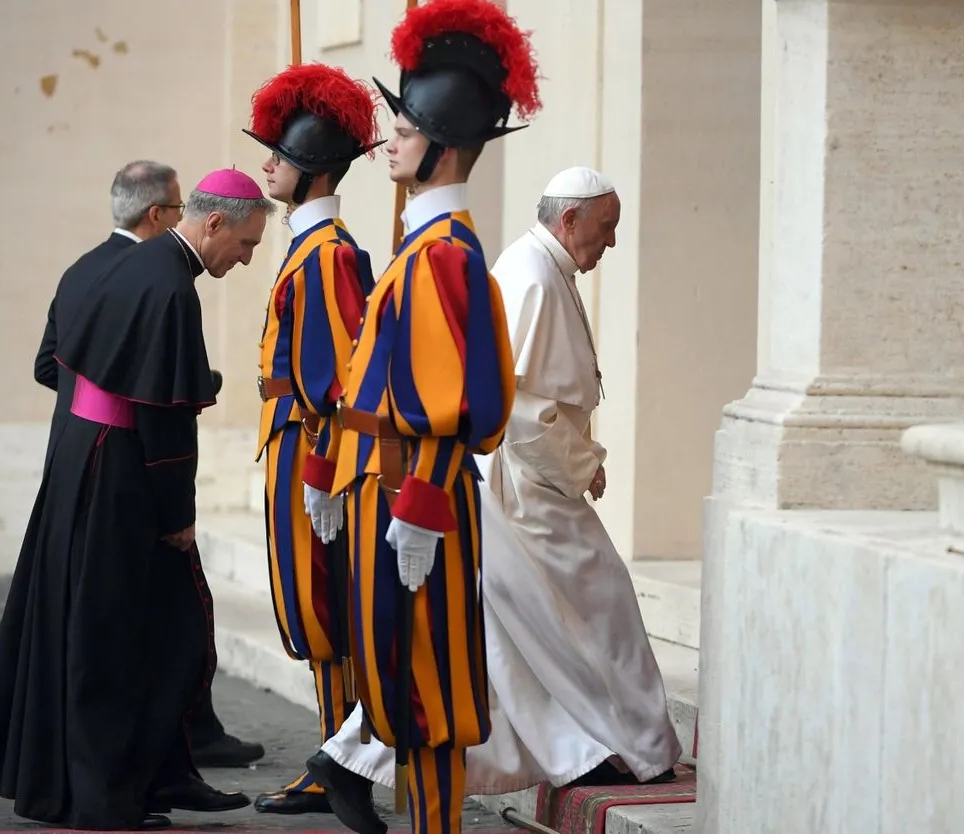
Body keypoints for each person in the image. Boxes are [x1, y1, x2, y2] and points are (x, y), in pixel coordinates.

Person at [309, 169, 681, 833]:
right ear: (570, 221)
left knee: (502, 649)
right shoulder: (532, 273)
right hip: (522, 489)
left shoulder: (539, 264)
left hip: (523, 482)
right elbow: (525, 412)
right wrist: (583, 465)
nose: (613, 243)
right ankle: (607, 748)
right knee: (587, 611)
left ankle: (584, 751)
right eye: (606, 228)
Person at [0, 161, 264, 772]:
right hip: (121, 465)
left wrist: (106, 404)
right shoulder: (165, 279)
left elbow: (51, 365)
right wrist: (149, 417)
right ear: (187, 217)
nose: (245, 259)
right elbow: (161, 410)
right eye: (245, 244)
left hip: (79, 452)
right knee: (105, 619)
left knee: (68, 605)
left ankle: (173, 756)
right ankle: (126, 767)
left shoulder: (94, 267)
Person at [298, 2, 540, 832]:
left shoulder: (439, 255)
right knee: (400, 685)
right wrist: (332, 472)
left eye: (405, 127)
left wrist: (423, 512)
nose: (391, 140)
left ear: (442, 145)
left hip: (412, 501)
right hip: (386, 492)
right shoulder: (422, 248)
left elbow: (449, 408)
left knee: (429, 697)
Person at [240, 63, 386, 818]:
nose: (267, 163)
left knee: (321, 609)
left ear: (313, 169)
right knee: (311, 610)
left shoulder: (326, 253)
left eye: (279, 153)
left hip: (309, 448)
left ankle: (339, 762)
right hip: (292, 442)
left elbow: (334, 383)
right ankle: (338, 755)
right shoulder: (308, 246)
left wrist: (323, 471)